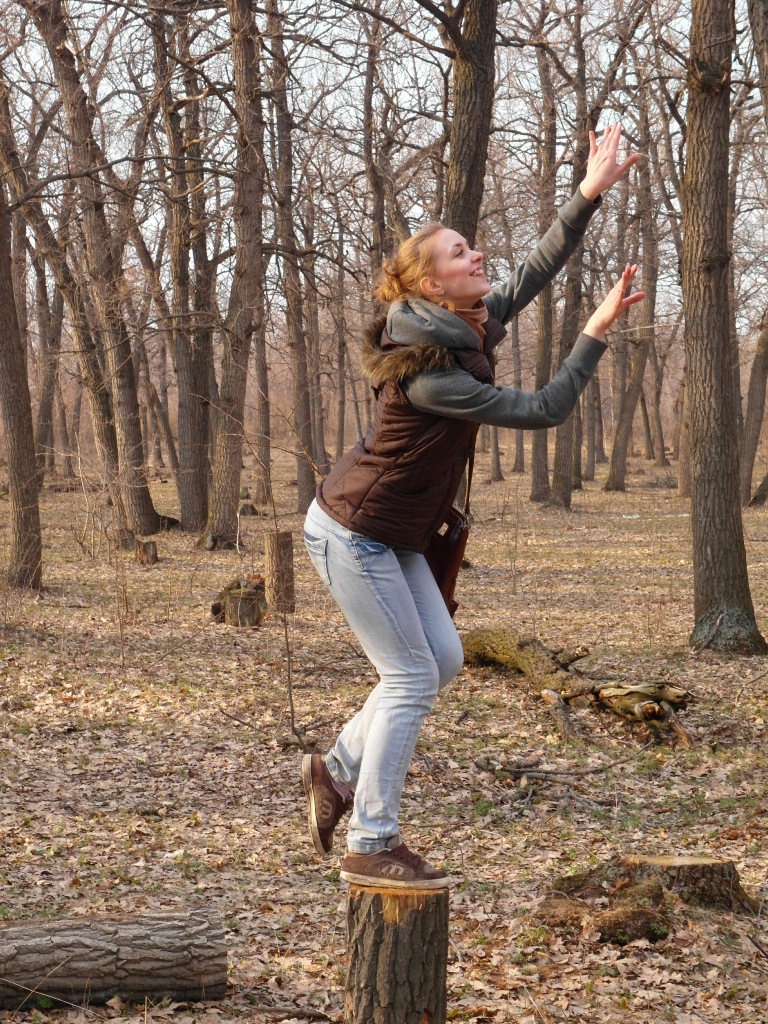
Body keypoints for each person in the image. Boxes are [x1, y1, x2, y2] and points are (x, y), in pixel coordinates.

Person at [302, 124, 644, 889]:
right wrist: (594, 331)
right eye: (460, 253)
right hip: (352, 532)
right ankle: (371, 840)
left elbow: (529, 273)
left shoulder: (461, 328)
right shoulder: (431, 373)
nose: (477, 256)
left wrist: (588, 193)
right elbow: (546, 407)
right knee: (409, 677)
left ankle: (337, 768)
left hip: (392, 534)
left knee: (443, 660)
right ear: (432, 286)